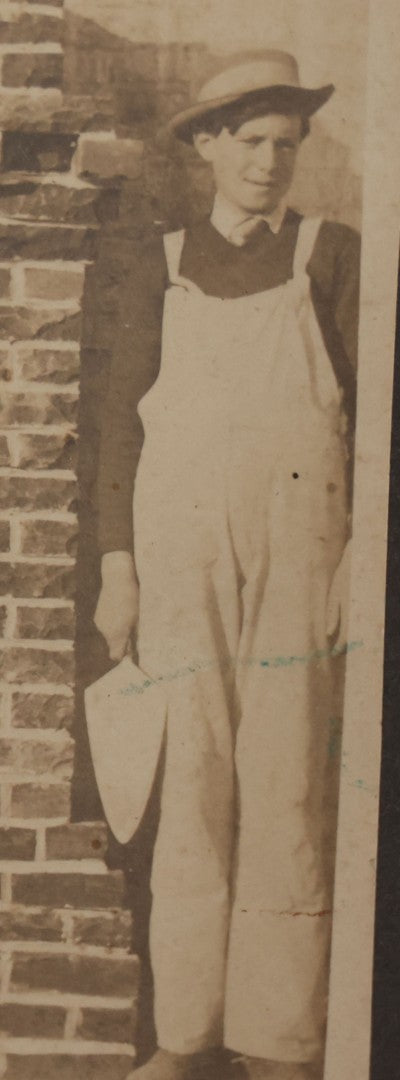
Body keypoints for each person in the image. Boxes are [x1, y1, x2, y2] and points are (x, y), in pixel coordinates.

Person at [94, 51, 360, 1080]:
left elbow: (372, 428)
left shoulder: (327, 257)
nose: (267, 164)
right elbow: (118, 428)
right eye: (248, 142)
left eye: (285, 146)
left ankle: (278, 1038)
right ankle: (184, 1035)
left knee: (288, 778)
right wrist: (119, 570)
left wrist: (358, 564)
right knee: (193, 778)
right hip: (177, 552)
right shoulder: (153, 265)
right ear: (205, 146)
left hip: (302, 549)